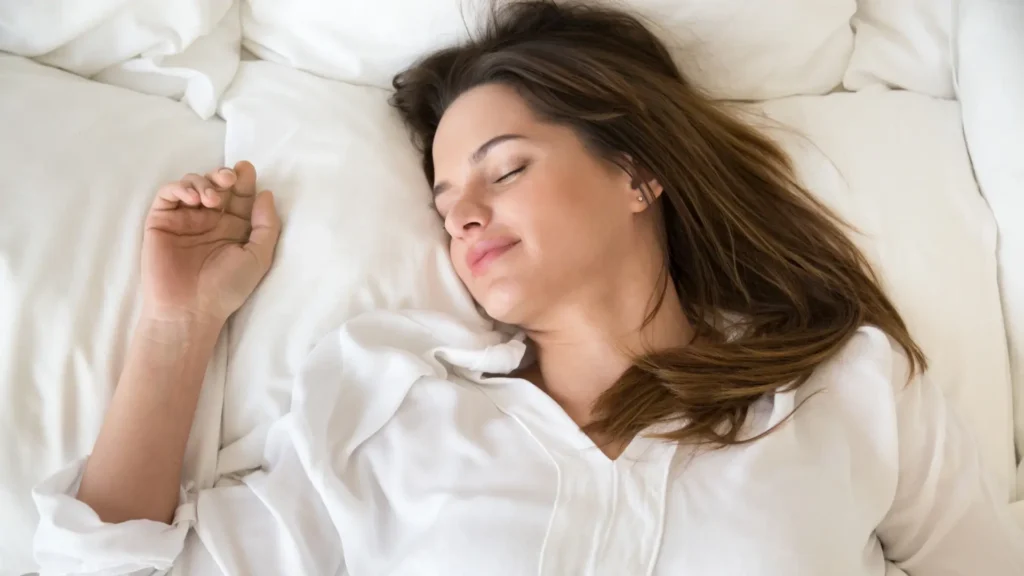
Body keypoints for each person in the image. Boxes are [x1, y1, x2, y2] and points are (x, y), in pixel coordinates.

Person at [33, 1, 1024, 574]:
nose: (463, 214)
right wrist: (176, 322)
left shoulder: (847, 386)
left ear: (638, 174)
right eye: (446, 196)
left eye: (503, 171)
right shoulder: (398, 413)